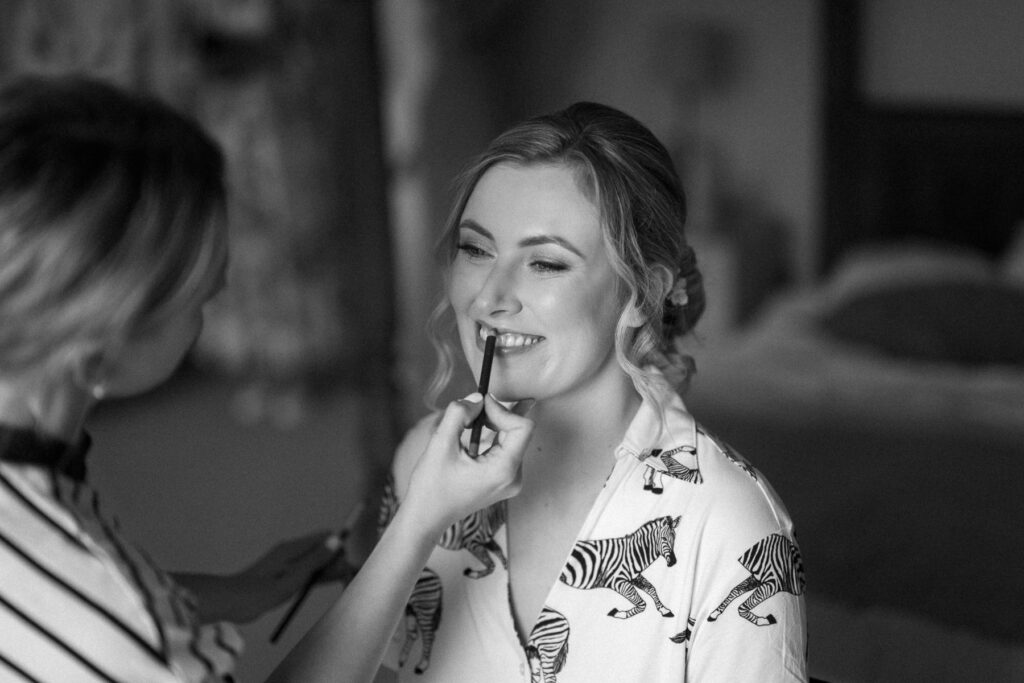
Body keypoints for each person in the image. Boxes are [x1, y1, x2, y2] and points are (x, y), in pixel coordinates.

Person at [0, 74, 533, 682]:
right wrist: (420, 522)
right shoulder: (125, 640)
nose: (497, 297)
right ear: (97, 356)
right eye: (199, 300)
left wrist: (220, 596)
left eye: (547, 262)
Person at [378, 102, 807, 681]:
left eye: (547, 264)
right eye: (476, 250)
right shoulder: (422, 464)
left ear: (643, 292)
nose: (488, 299)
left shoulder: (729, 526)